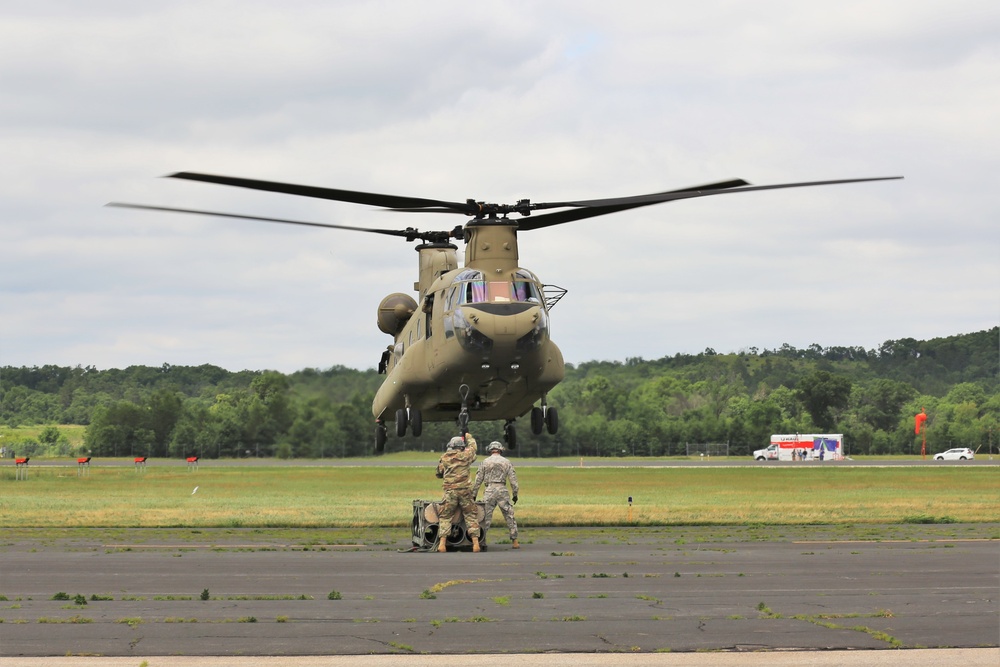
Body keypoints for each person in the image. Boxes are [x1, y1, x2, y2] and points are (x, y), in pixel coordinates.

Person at [434, 431, 481, 553]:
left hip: (450, 492)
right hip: (465, 491)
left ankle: (442, 544)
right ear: (461, 447)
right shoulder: (465, 456)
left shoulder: (444, 458)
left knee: (445, 516)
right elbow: (473, 449)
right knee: (471, 515)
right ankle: (475, 544)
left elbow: (438, 473)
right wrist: (469, 437)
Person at [472, 441, 520, 549]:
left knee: (485, 517)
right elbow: (513, 480)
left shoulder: (484, 462)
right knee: (509, 515)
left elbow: (478, 480)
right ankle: (515, 541)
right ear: (500, 450)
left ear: (490, 450)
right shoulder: (507, 462)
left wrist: (474, 494)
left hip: (489, 490)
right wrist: (515, 494)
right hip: (502, 490)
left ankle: (482, 541)